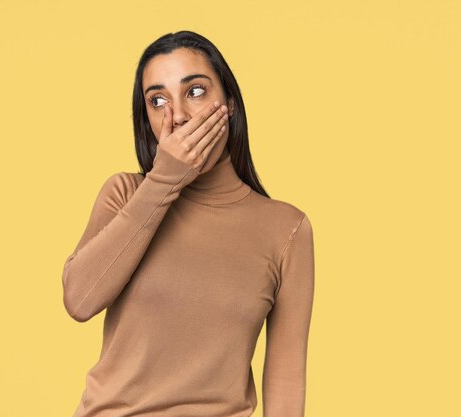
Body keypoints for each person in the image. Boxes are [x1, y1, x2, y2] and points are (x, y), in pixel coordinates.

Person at [61, 30, 315, 417]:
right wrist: (164, 180)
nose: (176, 116)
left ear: (229, 104)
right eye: (157, 101)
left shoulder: (286, 230)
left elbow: (286, 383)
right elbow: (80, 299)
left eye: (194, 92)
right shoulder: (126, 194)